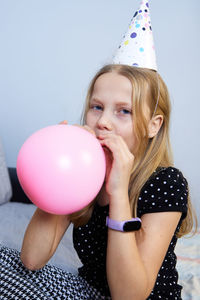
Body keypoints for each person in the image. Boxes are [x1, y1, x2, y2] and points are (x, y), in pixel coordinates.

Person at [0, 64, 197, 299]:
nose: (103, 121)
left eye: (124, 111)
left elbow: (128, 295)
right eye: (97, 107)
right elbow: (32, 260)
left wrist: (118, 193)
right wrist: (57, 175)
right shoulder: (86, 169)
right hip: (90, 292)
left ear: (153, 125)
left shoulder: (167, 182)